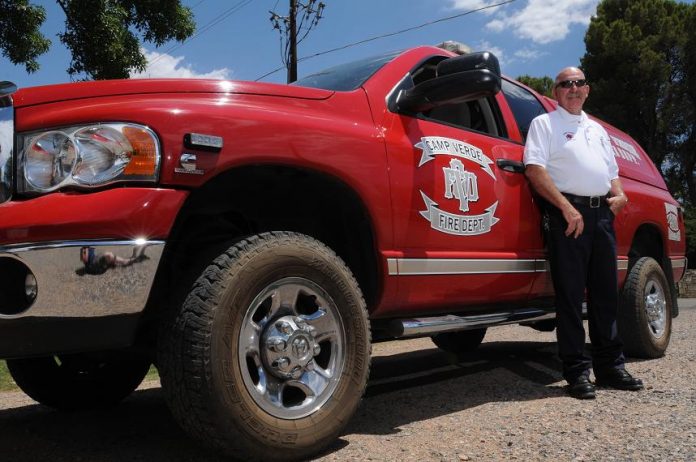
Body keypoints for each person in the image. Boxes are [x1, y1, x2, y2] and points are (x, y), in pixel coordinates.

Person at [523, 67, 644, 399]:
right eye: (566, 84)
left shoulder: (597, 130)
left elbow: (611, 172)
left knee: (606, 295)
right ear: (556, 91)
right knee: (571, 297)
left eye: (578, 83)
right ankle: (577, 372)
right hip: (568, 216)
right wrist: (565, 207)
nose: (572, 89)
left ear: (587, 90)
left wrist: (618, 195)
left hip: (602, 216)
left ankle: (611, 367)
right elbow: (534, 169)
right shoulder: (544, 124)